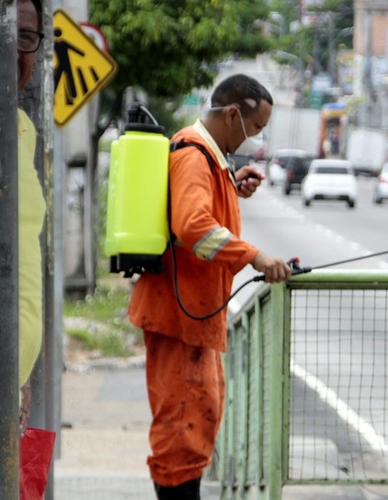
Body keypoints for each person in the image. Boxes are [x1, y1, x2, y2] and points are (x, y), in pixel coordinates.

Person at [127, 74, 293, 499]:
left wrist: (232, 187)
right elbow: (194, 227)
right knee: (181, 433)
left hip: (193, 316)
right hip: (179, 317)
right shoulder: (194, 156)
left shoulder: (209, 158)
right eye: (254, 128)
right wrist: (255, 255)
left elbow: (193, 217)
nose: (254, 140)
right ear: (233, 114)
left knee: (197, 423)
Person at [16, 0, 46, 438]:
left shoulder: (23, 127)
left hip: (9, 390)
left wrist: (21, 379)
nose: (11, 51)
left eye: (24, 37)